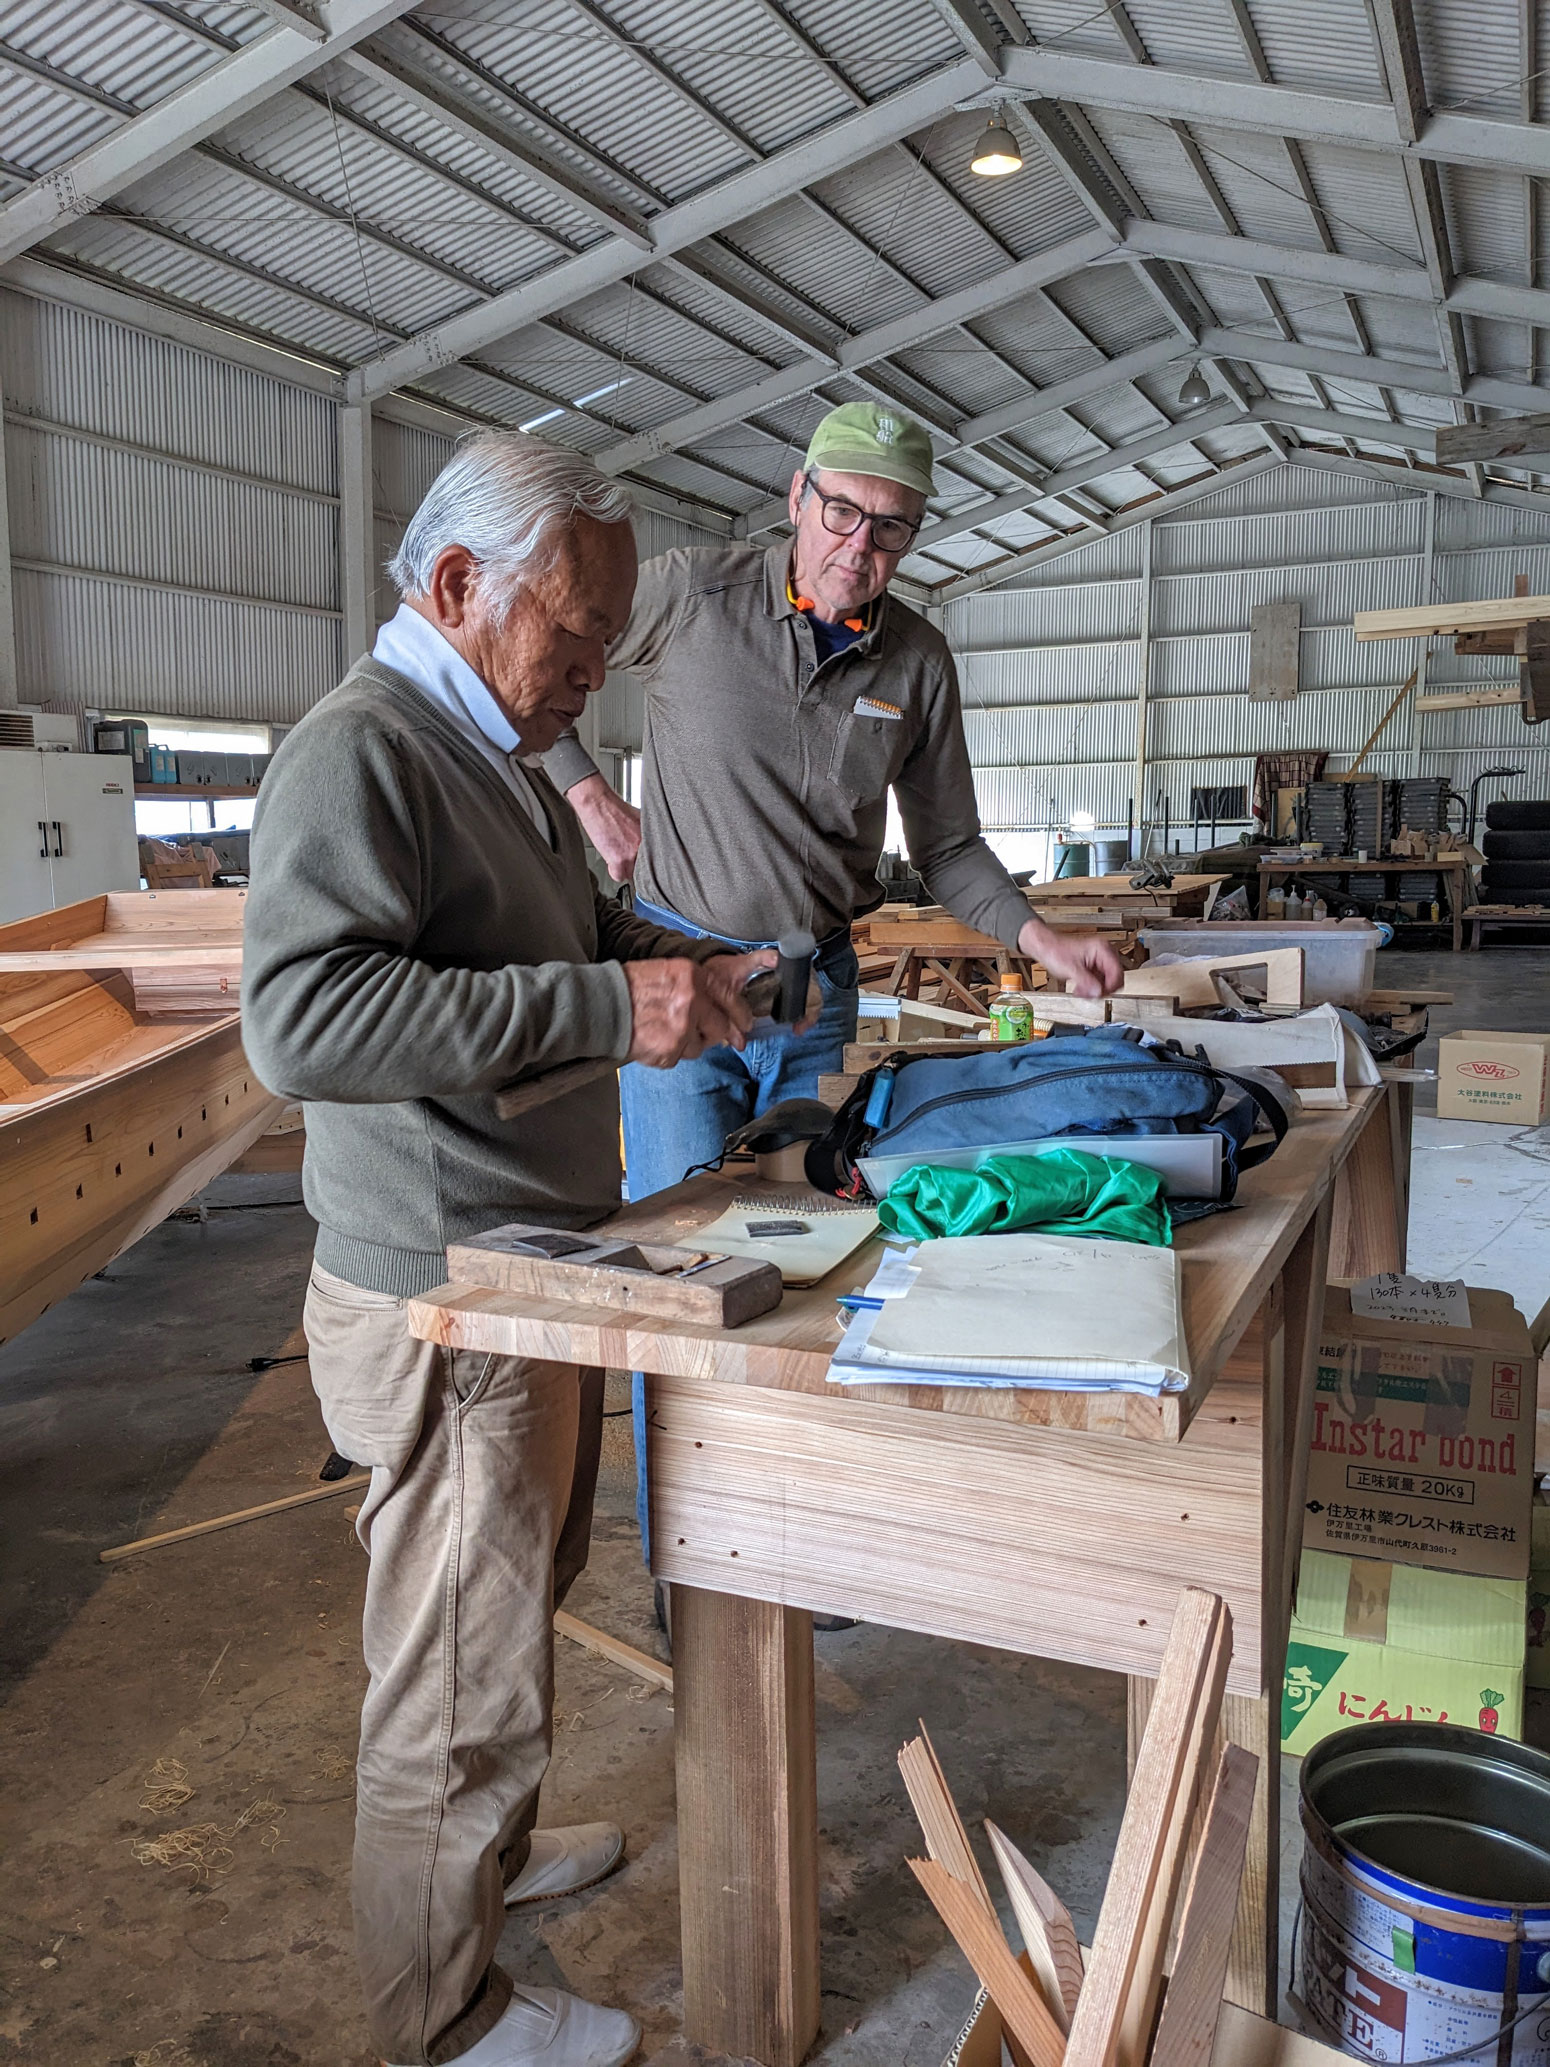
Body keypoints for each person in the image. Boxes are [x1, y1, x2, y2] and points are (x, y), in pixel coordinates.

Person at [243, 433, 774, 2067]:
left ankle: (485, 1855)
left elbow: (574, 929)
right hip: (447, 1289)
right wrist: (619, 1008)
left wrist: (688, 956)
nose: (592, 676)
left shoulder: (503, 755)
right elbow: (300, 1019)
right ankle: (442, 2013)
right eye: (575, 634)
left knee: (512, 1601)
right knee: (452, 1673)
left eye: (613, 644)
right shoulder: (365, 750)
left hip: (533, 1260)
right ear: (459, 586)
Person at [543, 401, 1124, 1202]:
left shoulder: (916, 662)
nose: (859, 547)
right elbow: (538, 650)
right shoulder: (693, 597)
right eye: (842, 510)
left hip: (813, 992)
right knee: (679, 1228)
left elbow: (949, 847)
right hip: (680, 973)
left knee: (805, 1227)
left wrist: (1041, 941)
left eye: (891, 528)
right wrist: (587, 791)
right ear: (797, 498)